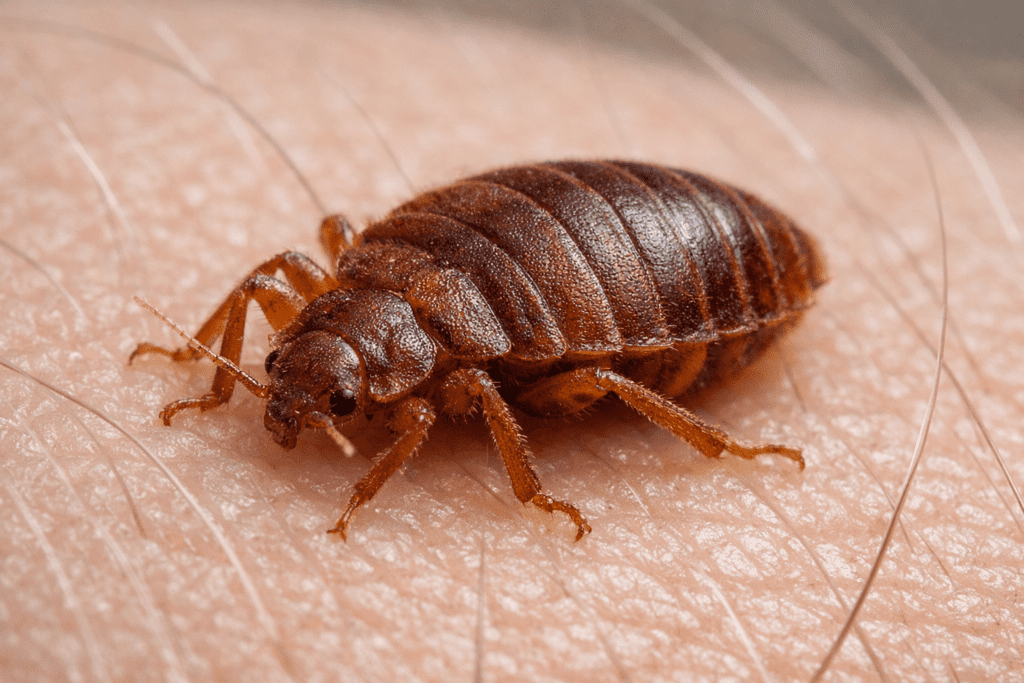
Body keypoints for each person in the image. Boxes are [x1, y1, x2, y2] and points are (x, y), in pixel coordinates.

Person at [2, 1, 1021, 680]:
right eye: (289, 372)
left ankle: (710, 447)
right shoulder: (337, 286)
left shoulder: (455, 375)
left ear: (383, 381)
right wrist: (209, 370)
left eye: (334, 398)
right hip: (576, 230)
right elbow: (278, 280)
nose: (300, 405)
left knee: (600, 379)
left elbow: (478, 395)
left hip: (687, 275)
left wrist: (359, 500)